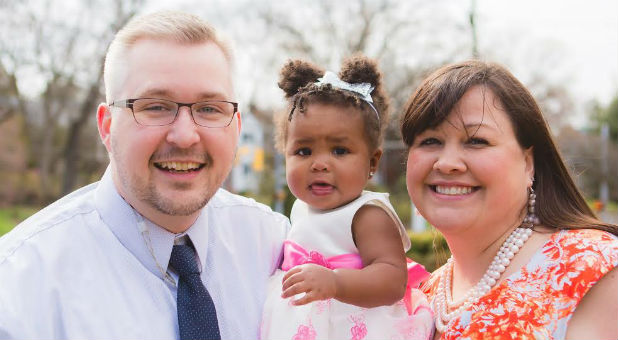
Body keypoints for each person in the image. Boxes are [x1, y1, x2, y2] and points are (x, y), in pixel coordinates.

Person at [0, 11, 289, 340]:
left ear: (236, 129)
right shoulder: (18, 294)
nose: (185, 136)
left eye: (209, 109)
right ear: (107, 126)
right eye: (156, 106)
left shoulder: (273, 248)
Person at [401, 60, 618, 339]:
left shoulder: (590, 267)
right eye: (430, 141)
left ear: (528, 164)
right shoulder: (423, 298)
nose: (447, 163)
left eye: (477, 140)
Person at [260, 56, 434, 340]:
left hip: (350, 324)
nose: (320, 164)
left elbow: (392, 279)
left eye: (339, 151)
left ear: (372, 162)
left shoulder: (367, 213)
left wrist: (335, 282)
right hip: (299, 323)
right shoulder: (301, 207)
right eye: (303, 152)